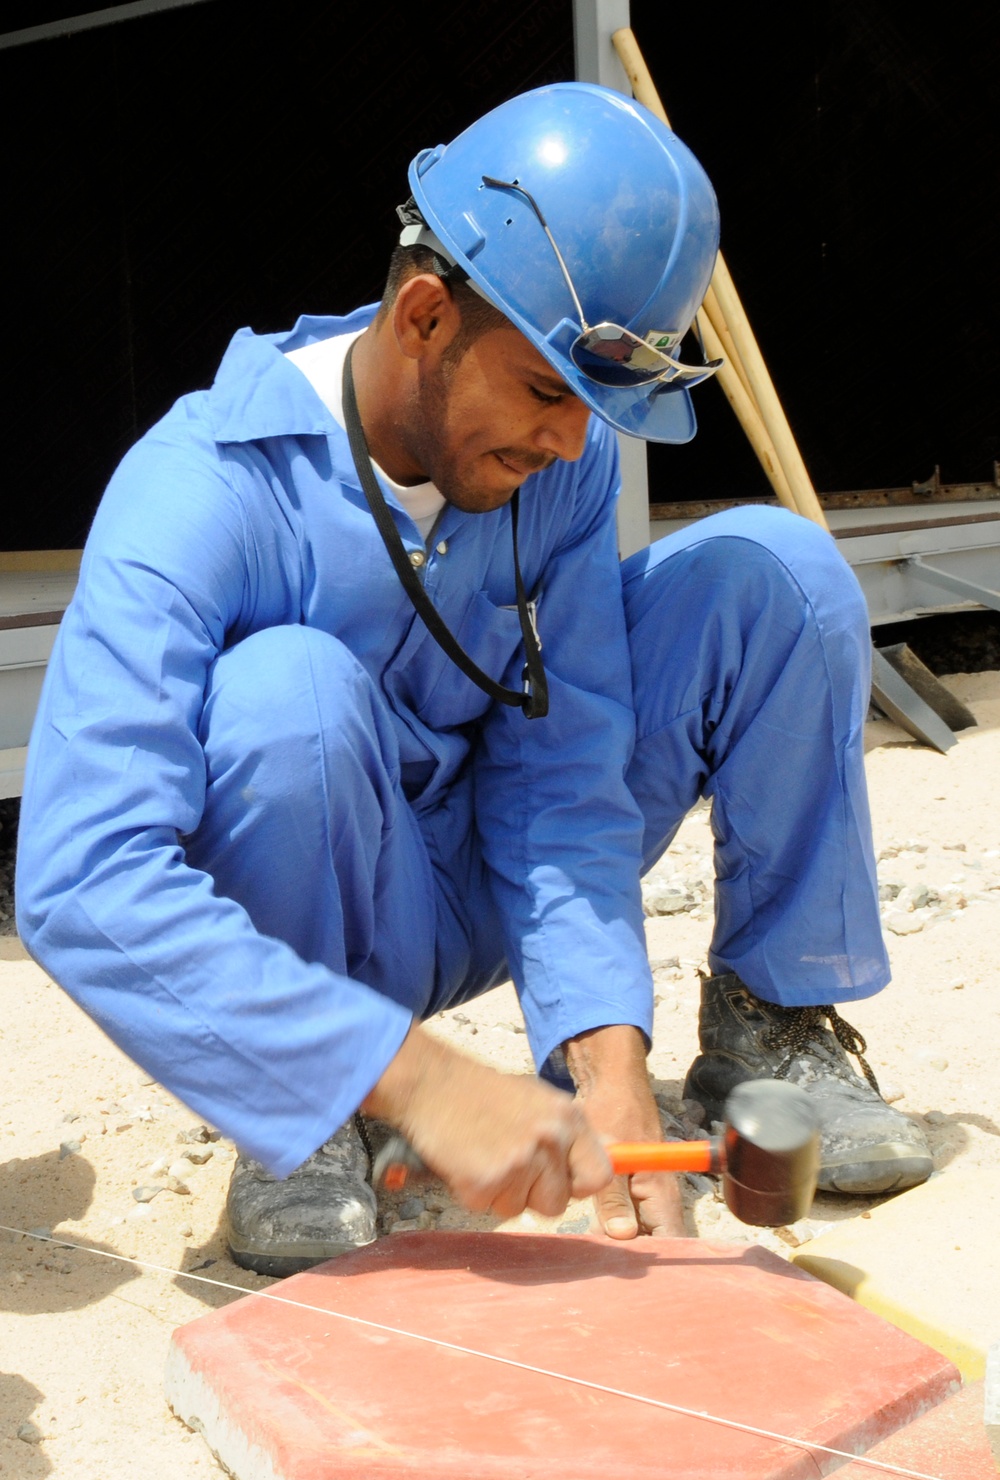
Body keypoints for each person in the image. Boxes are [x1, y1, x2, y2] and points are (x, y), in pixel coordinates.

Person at [15, 82, 930, 1276]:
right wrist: (418, 1081)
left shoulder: (560, 461)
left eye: (590, 407)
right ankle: (317, 1116)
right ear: (427, 315)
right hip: (343, 917)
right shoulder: (200, 487)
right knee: (283, 697)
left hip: (493, 879)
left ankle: (767, 1024)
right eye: (550, 390)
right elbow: (81, 875)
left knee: (778, 573)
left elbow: (567, 759)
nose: (569, 441)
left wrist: (604, 1067)